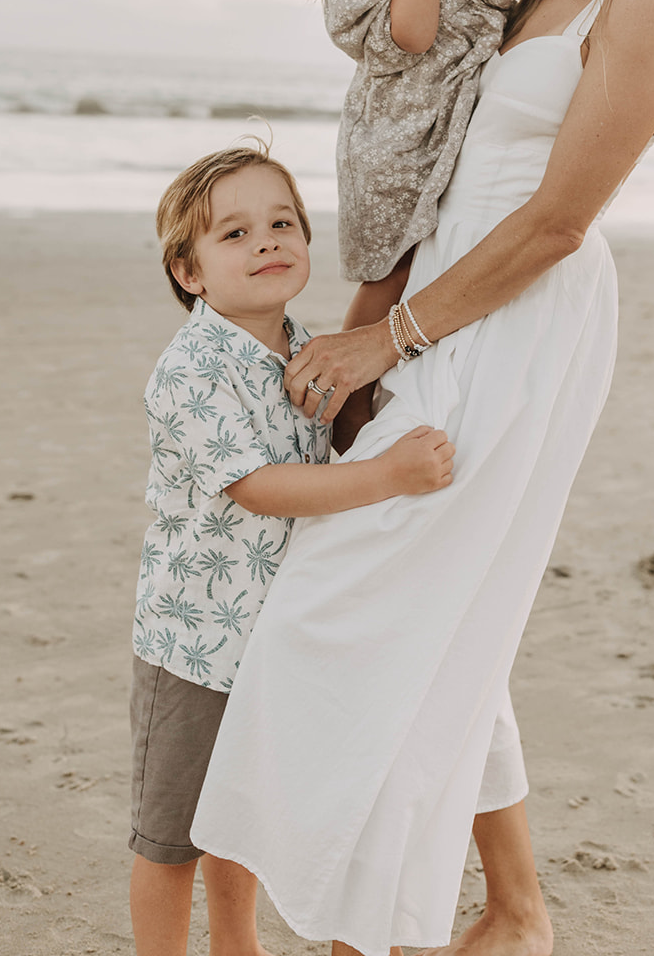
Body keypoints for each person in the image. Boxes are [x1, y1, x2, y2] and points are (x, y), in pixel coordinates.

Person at [190, 0, 654, 956]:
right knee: (442, 606)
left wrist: (389, 343)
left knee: (350, 608)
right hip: (448, 303)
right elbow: (430, 135)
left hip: (514, 319)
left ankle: (366, 924)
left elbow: (553, 220)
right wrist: (370, 312)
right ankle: (514, 911)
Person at [128, 144, 454, 956]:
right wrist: (385, 476)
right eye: (233, 234)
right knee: (171, 836)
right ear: (189, 272)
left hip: (275, 636)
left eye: (281, 223)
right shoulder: (192, 368)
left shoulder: (305, 348)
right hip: (196, 644)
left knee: (237, 813)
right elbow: (258, 485)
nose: (267, 241)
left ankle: (236, 945)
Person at [267, 0, 540, 375]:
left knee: (449, 258)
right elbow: (410, 38)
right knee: (393, 268)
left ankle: (410, 375)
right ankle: (347, 385)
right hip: (395, 136)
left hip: (463, 117)